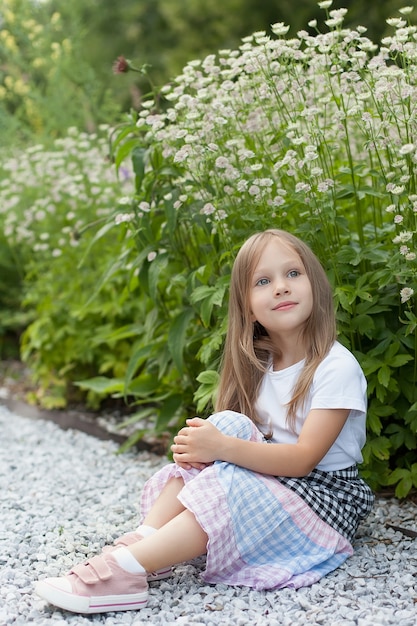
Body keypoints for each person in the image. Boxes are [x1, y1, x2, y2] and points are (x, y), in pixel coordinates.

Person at [35, 228, 374, 614]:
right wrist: (216, 444)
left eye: (293, 274)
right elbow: (238, 446)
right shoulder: (260, 364)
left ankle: (126, 569)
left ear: (315, 284)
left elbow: (302, 461)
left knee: (229, 468)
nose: (281, 287)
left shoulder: (335, 366)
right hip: (281, 484)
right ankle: (146, 541)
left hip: (324, 500)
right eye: (263, 281)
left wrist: (222, 449)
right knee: (226, 423)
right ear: (247, 307)